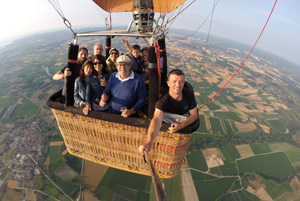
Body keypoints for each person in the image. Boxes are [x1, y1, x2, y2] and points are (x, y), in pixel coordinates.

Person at [139, 69, 200, 155]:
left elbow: (194, 115)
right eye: (174, 81)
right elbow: (156, 119)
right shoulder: (163, 101)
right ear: (168, 83)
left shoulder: (189, 94)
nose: (178, 85)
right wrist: (149, 142)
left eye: (181, 82)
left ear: (184, 83)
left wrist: (181, 126)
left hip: (182, 117)